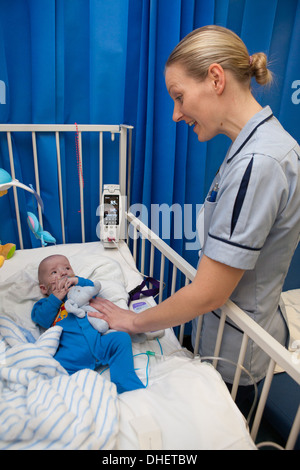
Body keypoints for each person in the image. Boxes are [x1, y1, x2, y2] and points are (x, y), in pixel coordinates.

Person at [89, 25, 300, 394]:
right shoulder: (257, 146)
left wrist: (132, 321)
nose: (175, 114)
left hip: (237, 353)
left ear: (215, 78)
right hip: (232, 331)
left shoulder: (259, 162)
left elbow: (209, 293)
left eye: (179, 96)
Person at [31, 254, 145, 394]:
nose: (63, 272)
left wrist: (77, 281)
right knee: (53, 371)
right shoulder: (46, 303)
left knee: (121, 339)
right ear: (44, 288)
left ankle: (125, 381)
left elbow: (93, 288)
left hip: (99, 343)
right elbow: (42, 318)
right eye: (54, 272)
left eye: (67, 268)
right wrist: (55, 298)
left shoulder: (82, 291)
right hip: (71, 352)